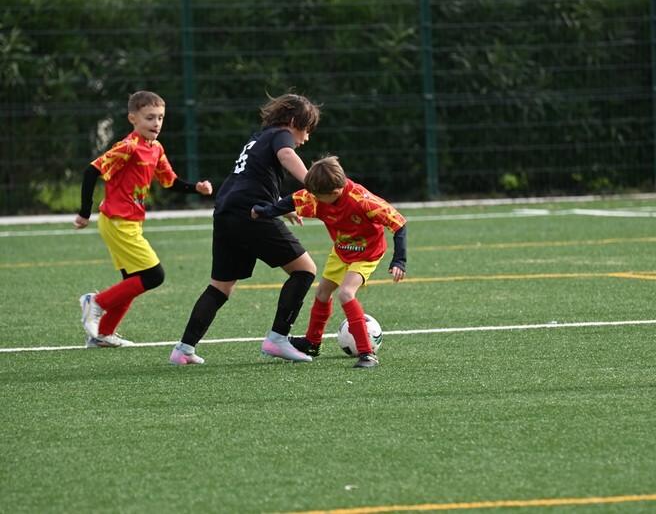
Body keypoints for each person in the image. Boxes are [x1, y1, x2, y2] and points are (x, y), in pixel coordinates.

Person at [169, 93, 321, 365]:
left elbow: (251, 178)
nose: (306, 138)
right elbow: (286, 154)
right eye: (306, 129)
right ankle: (278, 339)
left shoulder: (258, 138)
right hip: (250, 213)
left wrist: (281, 206)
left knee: (220, 287)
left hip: (225, 211)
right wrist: (315, 182)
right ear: (294, 122)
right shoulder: (281, 135)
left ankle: (184, 349)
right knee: (305, 270)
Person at [74, 90, 214, 348]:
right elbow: (91, 170)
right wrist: (85, 212)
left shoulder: (155, 148)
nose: (156, 123)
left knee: (133, 281)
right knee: (153, 276)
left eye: (160, 117)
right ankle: (95, 302)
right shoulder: (128, 147)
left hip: (130, 222)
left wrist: (196, 188)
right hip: (117, 221)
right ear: (133, 119)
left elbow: (170, 181)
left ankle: (103, 334)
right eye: (150, 117)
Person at [252, 155, 407, 368]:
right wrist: (265, 212)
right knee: (322, 293)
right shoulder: (318, 196)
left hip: (367, 253)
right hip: (341, 250)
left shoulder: (363, 201)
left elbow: (399, 224)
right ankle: (312, 343)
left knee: (345, 293)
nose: (311, 198)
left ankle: (367, 354)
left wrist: (399, 261)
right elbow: (291, 201)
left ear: (335, 192)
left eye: (316, 196)